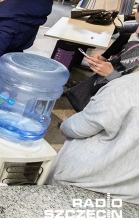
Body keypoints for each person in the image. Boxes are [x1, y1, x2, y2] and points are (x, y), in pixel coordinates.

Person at [48, 70, 139, 204]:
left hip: (85, 183)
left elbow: (81, 127)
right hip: (132, 198)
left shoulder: (127, 86)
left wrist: (65, 127)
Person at [67, 13, 139, 112]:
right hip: (96, 95)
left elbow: (132, 95)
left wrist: (111, 74)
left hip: (114, 107)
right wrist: (100, 63)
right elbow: (104, 58)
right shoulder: (127, 37)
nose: (137, 31)